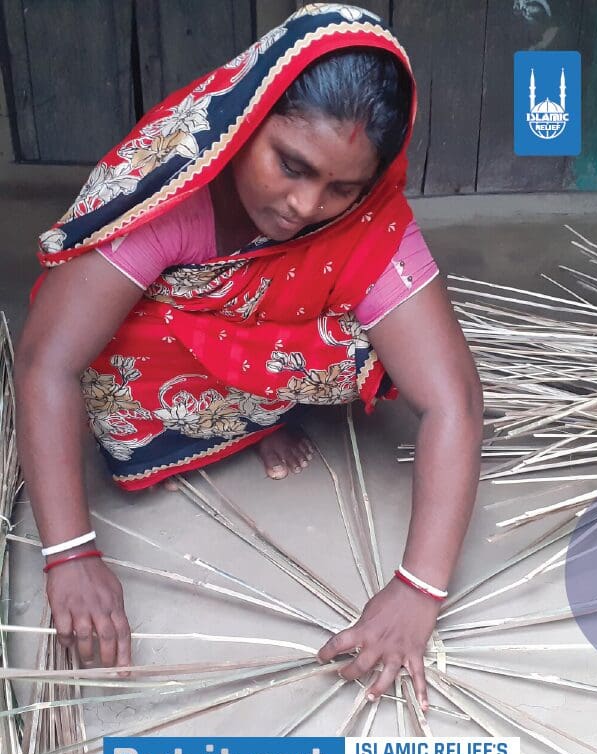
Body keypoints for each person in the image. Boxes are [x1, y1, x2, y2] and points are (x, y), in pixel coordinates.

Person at [14, 5, 483, 709]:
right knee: (107, 341)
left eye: (342, 187)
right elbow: (47, 360)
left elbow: (455, 401)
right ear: (251, 115)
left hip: (249, 355)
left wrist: (418, 591)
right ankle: (210, 424)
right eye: (291, 165)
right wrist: (69, 553)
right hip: (159, 356)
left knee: (367, 331)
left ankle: (256, 416)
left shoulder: (370, 220)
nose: (305, 205)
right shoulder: (169, 186)